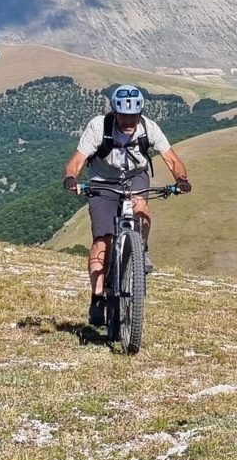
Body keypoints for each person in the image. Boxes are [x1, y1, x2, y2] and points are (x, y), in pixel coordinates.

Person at [63, 84, 190, 327]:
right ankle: (97, 298)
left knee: (141, 206)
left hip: (135, 176)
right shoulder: (98, 127)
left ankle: (140, 250)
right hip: (103, 180)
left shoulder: (148, 128)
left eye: (134, 115)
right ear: (115, 112)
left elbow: (172, 160)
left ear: (140, 113)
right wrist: (71, 178)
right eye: (124, 115)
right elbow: (76, 161)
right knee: (103, 239)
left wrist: (181, 180)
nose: (129, 120)